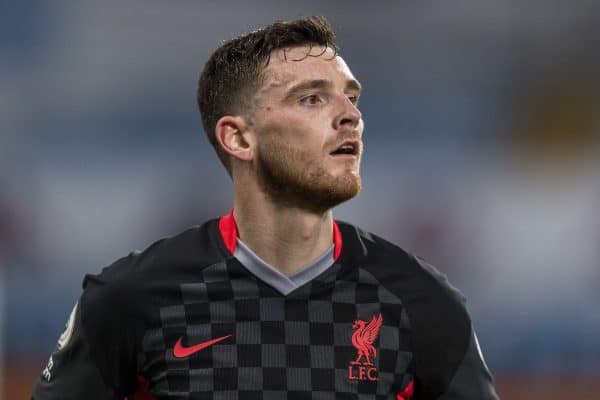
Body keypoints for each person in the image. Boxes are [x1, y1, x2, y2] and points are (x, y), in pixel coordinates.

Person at [32, 16, 499, 399]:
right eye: (313, 98)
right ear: (238, 137)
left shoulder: (421, 303)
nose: (351, 116)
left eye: (351, 97)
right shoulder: (132, 299)